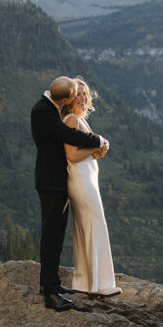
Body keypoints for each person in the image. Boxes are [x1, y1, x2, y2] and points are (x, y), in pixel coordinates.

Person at [31, 76, 107, 311]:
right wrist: (98, 140)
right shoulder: (43, 112)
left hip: (56, 181)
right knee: (52, 236)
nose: (75, 100)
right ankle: (51, 294)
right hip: (51, 182)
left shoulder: (48, 105)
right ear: (63, 99)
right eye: (71, 97)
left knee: (56, 233)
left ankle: (51, 284)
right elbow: (68, 136)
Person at [62, 77, 121, 298]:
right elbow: (72, 155)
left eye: (85, 93)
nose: (83, 97)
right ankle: (99, 284)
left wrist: (96, 150)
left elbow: (84, 152)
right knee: (94, 224)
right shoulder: (71, 121)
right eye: (78, 93)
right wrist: (96, 145)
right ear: (68, 98)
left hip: (87, 178)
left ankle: (87, 282)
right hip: (80, 180)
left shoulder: (80, 121)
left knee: (87, 227)